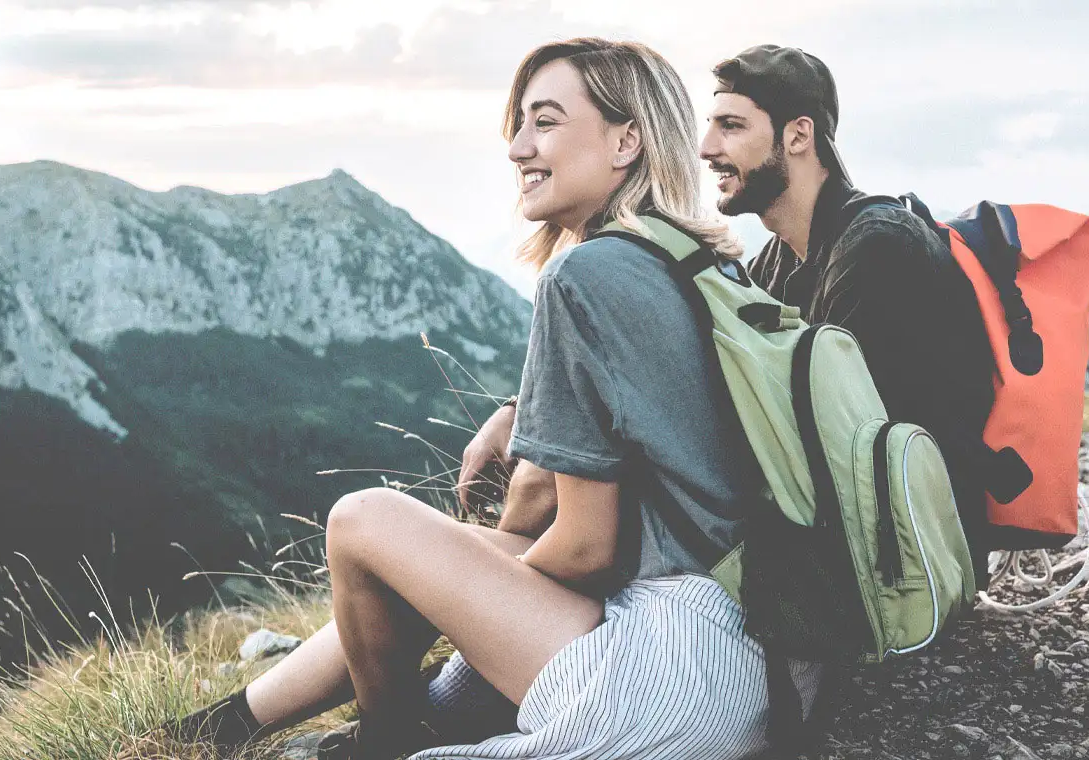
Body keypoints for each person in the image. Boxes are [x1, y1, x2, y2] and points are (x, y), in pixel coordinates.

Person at [149, 37, 818, 760]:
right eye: (519, 124)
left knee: (363, 520)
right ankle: (220, 727)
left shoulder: (586, 276)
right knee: (442, 559)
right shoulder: (704, 265)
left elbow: (589, 551)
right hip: (765, 665)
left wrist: (459, 605)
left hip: (668, 673)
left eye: (546, 121)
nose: (517, 148)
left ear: (627, 140)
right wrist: (470, 568)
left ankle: (384, 744)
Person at [697, 44, 996, 589]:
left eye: (731, 127)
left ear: (798, 135)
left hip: (906, 565)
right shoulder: (784, 255)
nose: (706, 147)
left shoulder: (877, 249)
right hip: (862, 536)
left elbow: (834, 440)